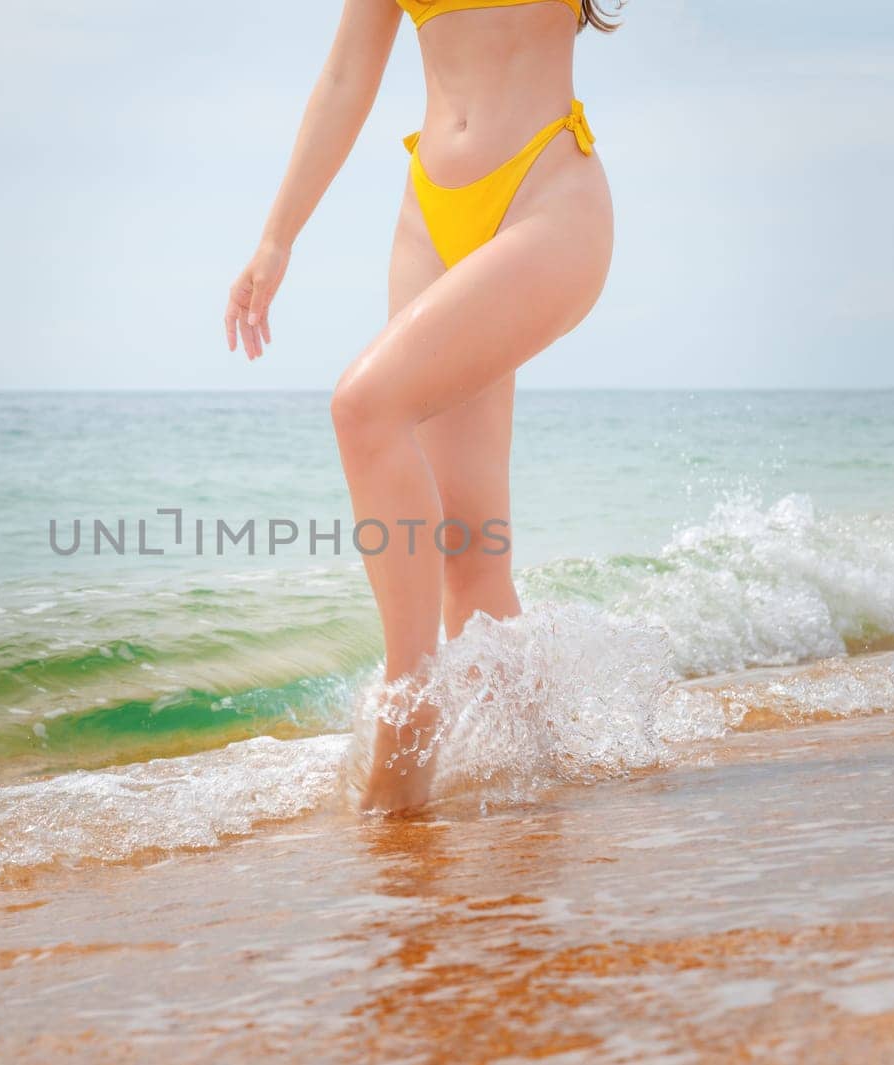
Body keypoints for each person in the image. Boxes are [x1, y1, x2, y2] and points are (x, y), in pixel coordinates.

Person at [224, 0, 619, 813]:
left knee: (364, 407)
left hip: (548, 200)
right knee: (472, 554)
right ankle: (539, 784)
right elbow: (345, 76)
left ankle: (408, 705)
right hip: (429, 218)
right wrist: (277, 237)